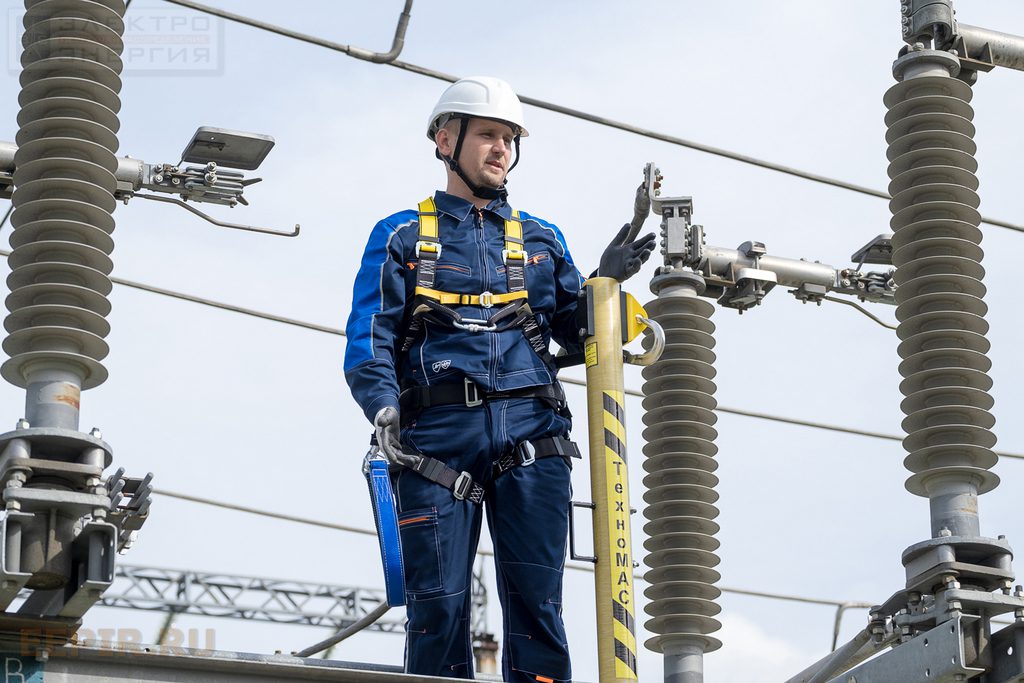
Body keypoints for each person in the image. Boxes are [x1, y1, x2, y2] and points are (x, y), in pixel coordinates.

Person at [344, 76, 654, 682]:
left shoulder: (541, 240)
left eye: (509, 138)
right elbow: (370, 337)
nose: (500, 149)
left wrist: (603, 287)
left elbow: (576, 331)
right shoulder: (401, 236)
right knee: (437, 614)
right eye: (487, 134)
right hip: (433, 439)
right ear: (444, 139)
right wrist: (383, 409)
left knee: (539, 611)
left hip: (532, 434)